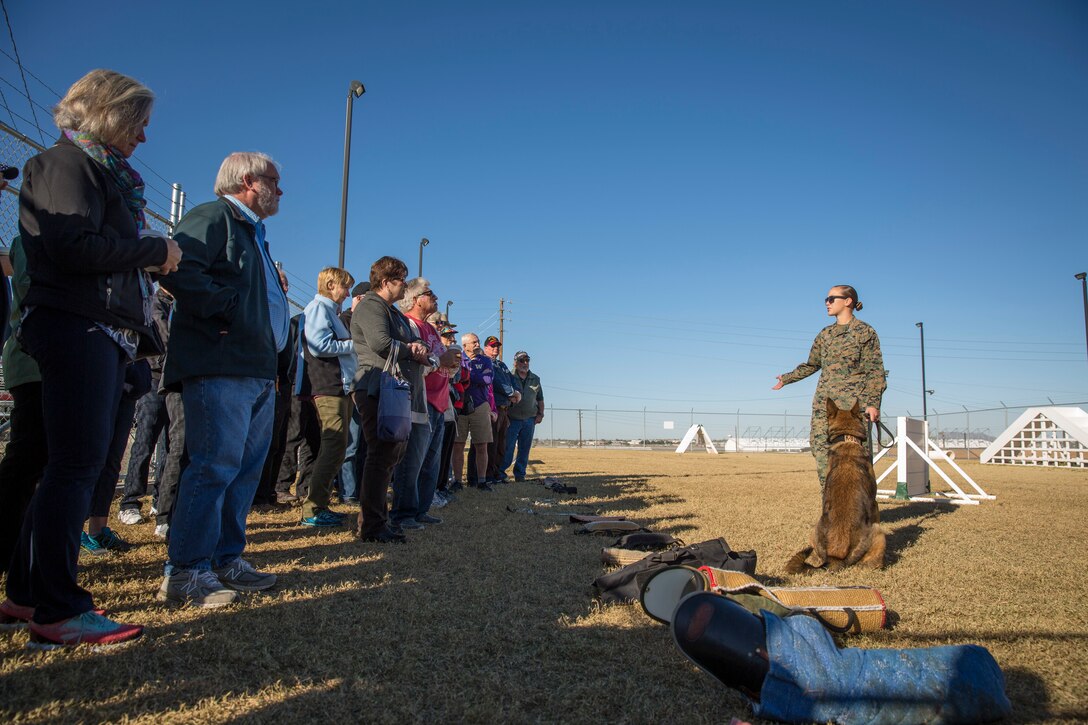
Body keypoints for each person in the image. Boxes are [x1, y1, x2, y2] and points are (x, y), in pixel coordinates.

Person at [2, 69, 181, 648]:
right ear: (107, 111)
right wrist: (153, 249)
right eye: (140, 123)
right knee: (74, 467)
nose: (145, 138)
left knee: (58, 464)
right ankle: (58, 606)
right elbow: (73, 246)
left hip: (97, 330)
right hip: (78, 327)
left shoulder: (95, 172)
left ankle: (30, 595)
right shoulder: (65, 165)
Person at [157, 151, 287, 607]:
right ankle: (186, 570)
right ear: (249, 180)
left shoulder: (254, 233)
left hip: (254, 368)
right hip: (221, 362)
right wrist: (229, 312)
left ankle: (226, 558)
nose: (281, 190)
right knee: (214, 466)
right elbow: (179, 271)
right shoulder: (212, 216)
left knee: (244, 472)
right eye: (275, 180)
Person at [773, 285, 886, 488]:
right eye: (826, 299)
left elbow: (875, 371)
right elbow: (812, 364)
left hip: (853, 409)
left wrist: (872, 404)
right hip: (825, 408)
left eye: (831, 298)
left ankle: (862, 509)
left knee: (859, 459)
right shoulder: (825, 334)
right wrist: (787, 378)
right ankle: (831, 507)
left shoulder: (865, 332)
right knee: (821, 452)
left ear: (848, 301)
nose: (827, 302)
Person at [351, 256, 430, 544]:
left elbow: (407, 341)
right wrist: (412, 349)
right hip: (375, 387)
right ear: (386, 282)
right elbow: (381, 344)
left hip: (390, 389)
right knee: (381, 454)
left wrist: (417, 346)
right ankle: (372, 525)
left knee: (390, 455)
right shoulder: (372, 306)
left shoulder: (391, 311)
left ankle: (374, 520)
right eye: (402, 281)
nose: (405, 287)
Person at [390, 279, 459, 530]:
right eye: (430, 293)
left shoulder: (430, 329)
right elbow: (415, 363)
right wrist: (442, 360)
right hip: (422, 401)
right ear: (416, 299)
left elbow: (441, 363)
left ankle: (421, 509)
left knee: (431, 462)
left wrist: (451, 365)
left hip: (440, 403)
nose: (436, 297)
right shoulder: (410, 325)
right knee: (412, 461)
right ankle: (403, 513)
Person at [296, 267, 356, 527]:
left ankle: (319, 504)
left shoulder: (332, 312)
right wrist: (354, 345)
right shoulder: (319, 309)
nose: (348, 293)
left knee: (338, 446)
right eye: (345, 286)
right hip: (327, 386)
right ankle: (312, 508)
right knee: (333, 444)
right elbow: (319, 345)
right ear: (331, 285)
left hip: (338, 386)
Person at [452, 333, 496, 490]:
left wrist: (468, 373)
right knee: (457, 445)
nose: (477, 344)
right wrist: (475, 376)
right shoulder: (457, 358)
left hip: (480, 405)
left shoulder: (485, 360)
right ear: (465, 346)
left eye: (478, 341)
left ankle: (482, 481)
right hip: (460, 406)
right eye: (474, 342)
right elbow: (455, 378)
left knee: (481, 445)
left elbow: (488, 379)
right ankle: (457, 481)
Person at [482, 335, 520, 483]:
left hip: (504, 409)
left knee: (501, 444)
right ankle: (488, 475)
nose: (495, 348)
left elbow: (512, 380)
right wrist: (511, 393)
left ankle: (498, 473)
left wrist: (516, 392)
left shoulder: (502, 365)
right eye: (492, 346)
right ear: (486, 348)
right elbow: (495, 382)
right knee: (491, 443)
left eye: (497, 346)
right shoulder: (485, 362)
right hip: (494, 407)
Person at [503, 351, 544, 482]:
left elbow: (540, 399)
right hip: (512, 419)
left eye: (527, 360)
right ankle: (501, 474)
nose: (525, 363)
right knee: (507, 448)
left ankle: (520, 474)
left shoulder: (535, 379)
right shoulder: (508, 376)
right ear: (515, 362)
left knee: (524, 448)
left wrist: (540, 414)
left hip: (529, 419)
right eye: (521, 360)